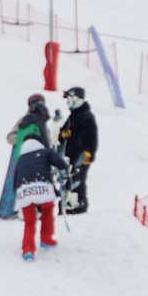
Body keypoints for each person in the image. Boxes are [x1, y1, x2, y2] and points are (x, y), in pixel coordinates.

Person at [6, 93, 60, 259]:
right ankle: (45, 238)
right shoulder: (35, 122)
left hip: (23, 164)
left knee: (32, 209)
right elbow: (11, 137)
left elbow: (12, 138)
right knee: (47, 204)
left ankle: (29, 249)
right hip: (39, 163)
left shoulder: (27, 122)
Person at [57, 87, 98, 215]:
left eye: (69, 99)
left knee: (77, 179)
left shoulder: (86, 116)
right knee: (68, 179)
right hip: (69, 155)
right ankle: (69, 204)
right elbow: (62, 133)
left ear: (76, 99)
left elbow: (92, 136)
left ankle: (78, 204)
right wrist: (63, 134)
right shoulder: (72, 116)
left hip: (80, 155)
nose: (67, 102)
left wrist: (89, 152)